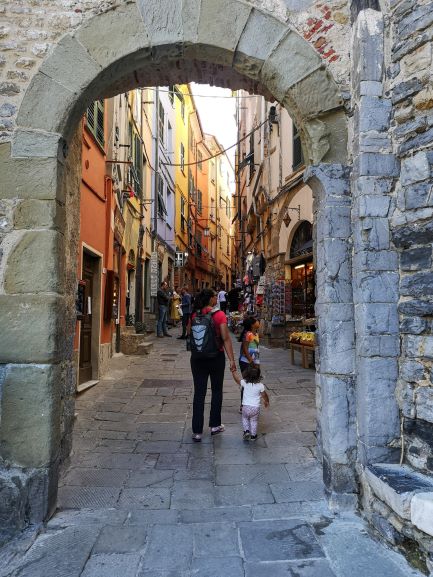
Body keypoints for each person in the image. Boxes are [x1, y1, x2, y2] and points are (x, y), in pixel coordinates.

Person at [188, 288, 236, 442]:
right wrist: (232, 360)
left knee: (199, 393)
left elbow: (189, 334)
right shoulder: (219, 315)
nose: (216, 298)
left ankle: (197, 431)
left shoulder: (194, 314)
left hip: (197, 359)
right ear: (211, 299)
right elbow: (225, 338)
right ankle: (215, 426)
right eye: (215, 296)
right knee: (216, 391)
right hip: (216, 357)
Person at [232, 365, 269, 441]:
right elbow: (264, 395)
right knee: (254, 421)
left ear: (246, 374)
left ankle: (246, 431)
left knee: (245, 418)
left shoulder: (244, 383)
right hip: (255, 408)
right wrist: (266, 401)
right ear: (259, 376)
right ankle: (253, 436)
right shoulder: (260, 385)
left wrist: (233, 371)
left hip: (245, 407)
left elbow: (237, 379)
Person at [238, 316, 260, 412]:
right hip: (246, 362)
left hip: (254, 361)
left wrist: (256, 363)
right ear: (252, 324)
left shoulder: (255, 333)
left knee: (253, 382)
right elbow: (245, 349)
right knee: (247, 383)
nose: (258, 322)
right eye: (256, 321)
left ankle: (250, 403)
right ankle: (243, 405)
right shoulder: (248, 334)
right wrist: (251, 361)